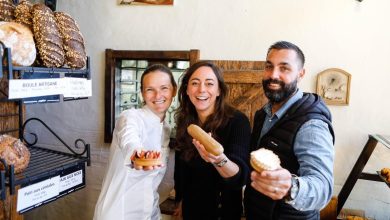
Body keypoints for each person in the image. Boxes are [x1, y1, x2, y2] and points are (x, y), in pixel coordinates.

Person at [244, 41, 335, 220]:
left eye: (284, 68)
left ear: (300, 74)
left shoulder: (311, 124)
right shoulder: (263, 113)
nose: (273, 75)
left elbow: (323, 187)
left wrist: (290, 188)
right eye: (269, 67)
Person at [93, 64, 177, 220]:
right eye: (150, 89)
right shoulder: (130, 117)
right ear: (143, 94)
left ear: (174, 90)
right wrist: (138, 155)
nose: (158, 95)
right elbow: (130, 141)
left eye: (164, 88)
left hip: (149, 213)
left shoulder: (166, 128)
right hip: (118, 212)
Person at [173, 61, 251, 220]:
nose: (201, 89)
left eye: (209, 83)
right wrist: (180, 201)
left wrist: (217, 159)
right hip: (191, 211)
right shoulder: (185, 122)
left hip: (223, 213)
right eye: (195, 83)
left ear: (219, 91)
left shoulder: (237, 121)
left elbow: (240, 177)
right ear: (187, 89)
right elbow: (181, 171)